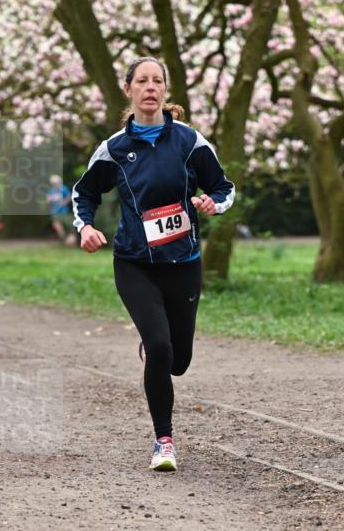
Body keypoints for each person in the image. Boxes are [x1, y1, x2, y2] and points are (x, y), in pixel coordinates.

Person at [71, 57, 235, 472]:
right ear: (129, 90)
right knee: (161, 347)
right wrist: (85, 226)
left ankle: (154, 348)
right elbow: (83, 193)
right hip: (134, 264)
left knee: (178, 361)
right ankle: (164, 441)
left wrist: (212, 204)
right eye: (141, 81)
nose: (150, 87)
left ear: (165, 90)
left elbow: (223, 186)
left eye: (157, 81)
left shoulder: (189, 141)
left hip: (183, 262)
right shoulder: (114, 149)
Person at [47, 174, 76, 245]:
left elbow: (69, 197)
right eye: (53, 183)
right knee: (56, 224)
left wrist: (64, 202)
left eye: (55, 183)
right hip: (54, 211)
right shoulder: (51, 191)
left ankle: (66, 239)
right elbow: (48, 201)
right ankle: (63, 237)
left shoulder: (63, 189)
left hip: (63, 211)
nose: (54, 184)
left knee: (66, 226)